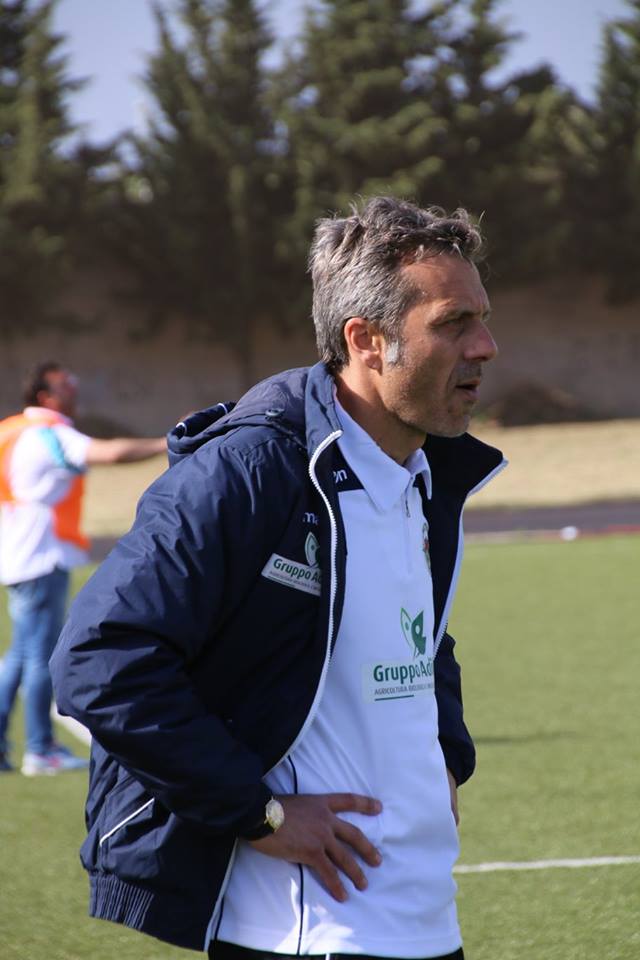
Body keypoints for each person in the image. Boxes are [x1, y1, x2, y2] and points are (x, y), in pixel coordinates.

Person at [51, 197, 506, 959]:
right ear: (367, 340)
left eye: (483, 319)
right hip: (307, 929)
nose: (486, 346)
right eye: (454, 323)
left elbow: (421, 636)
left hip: (424, 916)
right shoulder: (249, 471)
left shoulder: (424, 472)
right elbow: (101, 660)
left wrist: (446, 757)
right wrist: (255, 812)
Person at [0, 362, 167, 775]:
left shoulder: (11, 429)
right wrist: (167, 441)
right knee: (39, 657)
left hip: (18, 553)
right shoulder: (50, 433)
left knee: (20, 655)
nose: (74, 390)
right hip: (42, 556)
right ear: (45, 396)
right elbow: (110, 454)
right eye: (65, 385)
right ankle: (40, 749)